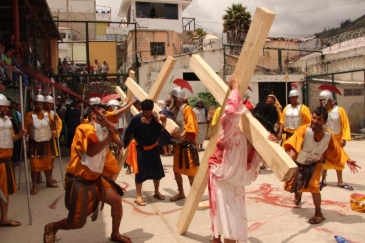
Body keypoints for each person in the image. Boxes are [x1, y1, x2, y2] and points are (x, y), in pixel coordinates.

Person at [42, 104, 130, 243]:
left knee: (116, 201)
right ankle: (52, 227)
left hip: (96, 179)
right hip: (79, 181)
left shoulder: (102, 130)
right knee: (77, 223)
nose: (105, 115)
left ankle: (115, 233)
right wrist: (109, 137)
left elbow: (109, 152)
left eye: (106, 113)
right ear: (93, 115)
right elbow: (91, 151)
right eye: (102, 112)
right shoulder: (84, 129)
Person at [208, 75, 278, 243]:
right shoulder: (234, 132)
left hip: (236, 181)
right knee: (224, 221)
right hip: (220, 176)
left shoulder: (261, 142)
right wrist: (235, 89)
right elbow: (231, 112)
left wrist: (274, 144)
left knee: (233, 220)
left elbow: (271, 162)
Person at [283, 106, 360, 224]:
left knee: (314, 187)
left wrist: (347, 160)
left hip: (315, 164)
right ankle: (298, 193)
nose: (315, 121)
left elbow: (336, 150)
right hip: (300, 162)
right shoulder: (302, 130)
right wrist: (288, 165)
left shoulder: (328, 135)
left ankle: (319, 213)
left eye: (319, 119)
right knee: (295, 184)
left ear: (324, 121)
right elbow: (294, 146)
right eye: (314, 118)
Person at [123, 99, 166, 206]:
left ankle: (156, 192)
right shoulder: (136, 119)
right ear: (142, 109)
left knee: (157, 171)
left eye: (150, 111)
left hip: (154, 148)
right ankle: (138, 196)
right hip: (141, 149)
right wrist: (125, 145)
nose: (148, 114)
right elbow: (129, 132)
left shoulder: (155, 118)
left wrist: (161, 120)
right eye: (146, 112)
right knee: (140, 172)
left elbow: (161, 130)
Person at [0, 94, 27, 227]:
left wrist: (20, 135)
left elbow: (10, 139)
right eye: (2, 106)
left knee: (5, 191)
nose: (5, 108)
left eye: (5, 106)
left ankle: (4, 217)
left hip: (7, 161)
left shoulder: (7, 120)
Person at [169, 87, 199, 202]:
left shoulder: (187, 109)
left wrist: (180, 136)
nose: (169, 99)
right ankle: (181, 193)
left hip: (188, 146)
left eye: (171, 97)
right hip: (178, 146)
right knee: (176, 171)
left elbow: (190, 126)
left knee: (190, 173)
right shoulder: (174, 109)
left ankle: (195, 197)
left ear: (175, 98)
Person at [319, 89, 353, 190]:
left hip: (337, 139)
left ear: (328, 100)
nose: (320, 103)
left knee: (338, 160)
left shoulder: (339, 110)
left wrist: (344, 138)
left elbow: (345, 124)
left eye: (322, 100)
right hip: (325, 139)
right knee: (323, 160)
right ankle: (323, 180)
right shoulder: (321, 112)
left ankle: (340, 181)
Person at [25, 93, 58, 195]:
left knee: (48, 164)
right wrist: (25, 143)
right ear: (34, 104)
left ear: (43, 104)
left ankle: (49, 181)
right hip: (34, 144)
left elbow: (53, 128)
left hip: (46, 143)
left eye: (40, 104)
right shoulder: (30, 115)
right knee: (34, 166)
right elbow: (26, 130)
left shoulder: (48, 115)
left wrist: (55, 122)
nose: (39, 106)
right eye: (37, 104)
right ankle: (34, 185)